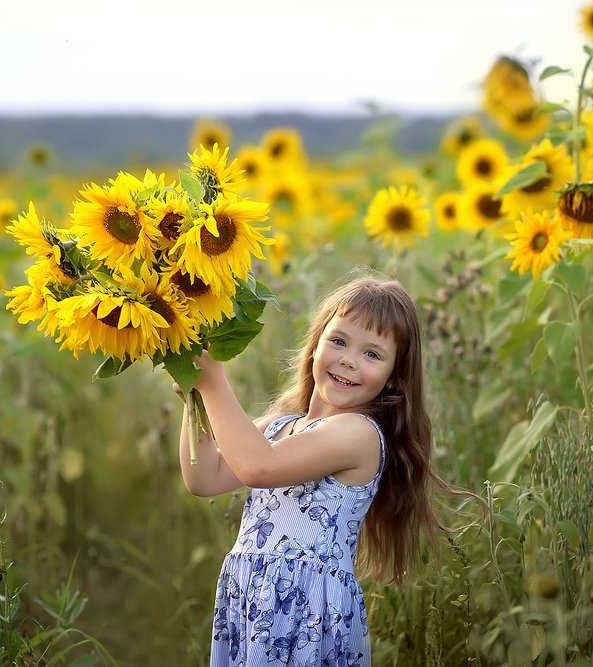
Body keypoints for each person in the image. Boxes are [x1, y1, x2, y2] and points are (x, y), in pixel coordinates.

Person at [175, 274, 451, 666]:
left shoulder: (358, 434)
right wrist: (195, 395)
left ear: (394, 378)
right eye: (338, 341)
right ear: (316, 344)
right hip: (252, 600)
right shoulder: (279, 426)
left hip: (306, 611)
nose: (348, 360)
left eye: (372, 354)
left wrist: (214, 381)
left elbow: (257, 467)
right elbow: (204, 478)